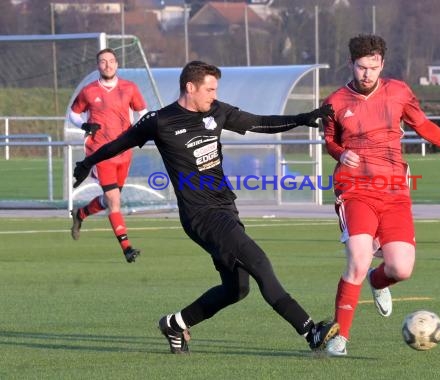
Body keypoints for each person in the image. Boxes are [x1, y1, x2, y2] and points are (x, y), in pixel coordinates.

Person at [72, 60, 339, 354]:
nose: (214, 95)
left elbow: (259, 122)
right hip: (200, 215)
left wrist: (302, 118)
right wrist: (87, 163)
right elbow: (118, 143)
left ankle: (175, 323)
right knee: (259, 261)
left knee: (237, 289)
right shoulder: (159, 121)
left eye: (216, 89)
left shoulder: (216, 111)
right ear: (190, 87)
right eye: (209, 89)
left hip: (226, 209)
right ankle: (311, 332)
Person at [321, 34, 440, 356]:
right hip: (355, 189)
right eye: (360, 67)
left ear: (382, 64)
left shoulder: (399, 92)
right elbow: (330, 141)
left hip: (394, 191)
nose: (366, 74)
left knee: (401, 269)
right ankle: (339, 337)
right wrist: (340, 153)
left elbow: (425, 127)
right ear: (351, 65)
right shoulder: (335, 102)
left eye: (373, 67)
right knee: (357, 258)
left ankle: (378, 282)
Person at [68, 48, 148, 263]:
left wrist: (138, 131)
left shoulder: (129, 88)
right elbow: (73, 114)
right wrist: (84, 124)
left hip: (124, 153)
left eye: (111, 61)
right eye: (103, 62)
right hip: (100, 153)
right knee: (114, 201)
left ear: (117, 64)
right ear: (98, 66)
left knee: (109, 199)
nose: (108, 65)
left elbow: (143, 112)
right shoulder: (88, 91)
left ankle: (81, 214)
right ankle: (127, 247)